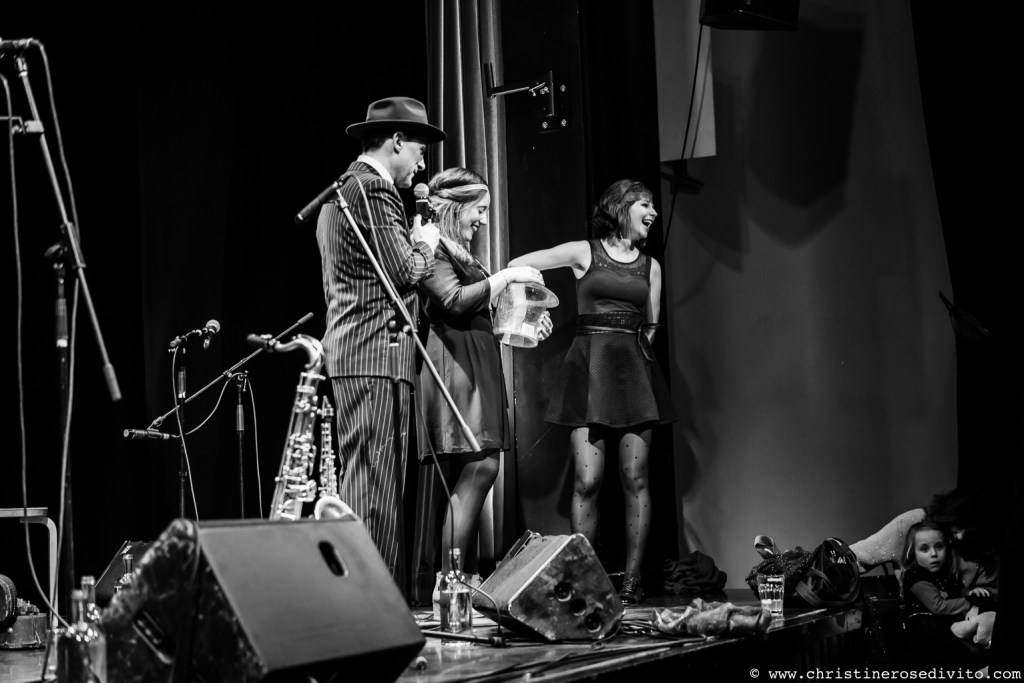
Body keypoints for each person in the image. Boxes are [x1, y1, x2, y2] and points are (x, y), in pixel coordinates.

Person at [508, 178, 677, 604]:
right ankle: (589, 580)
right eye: (645, 204)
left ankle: (632, 580)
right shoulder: (584, 252)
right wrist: (532, 312)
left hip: (633, 372)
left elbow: (652, 324)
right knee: (587, 479)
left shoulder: (651, 266)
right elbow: (519, 263)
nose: (653, 212)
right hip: (588, 370)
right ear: (621, 206)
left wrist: (634, 359)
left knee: (635, 477)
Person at [315, 96, 444, 593]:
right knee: (378, 492)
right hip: (376, 353)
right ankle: (379, 605)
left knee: (368, 485)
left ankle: (365, 601)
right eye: (419, 151)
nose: (422, 164)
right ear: (396, 141)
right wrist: (426, 242)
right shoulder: (372, 188)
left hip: (361, 353)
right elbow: (406, 271)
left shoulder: (342, 190)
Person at [415, 167, 549, 606]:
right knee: (481, 466)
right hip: (455, 365)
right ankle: (450, 581)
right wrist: (506, 278)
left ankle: (462, 577)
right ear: (456, 207)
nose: (484, 219)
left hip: (475, 360)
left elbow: (477, 312)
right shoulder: (432, 245)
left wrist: (522, 322)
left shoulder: (458, 250)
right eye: (480, 209)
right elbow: (452, 301)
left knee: (475, 469)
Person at [900, 520, 992, 667]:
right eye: (924, 549)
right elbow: (938, 606)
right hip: (927, 633)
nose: (934, 554)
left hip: (946, 628)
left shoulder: (945, 574)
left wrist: (973, 593)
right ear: (912, 553)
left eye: (939, 546)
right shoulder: (915, 575)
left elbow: (960, 590)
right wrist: (970, 601)